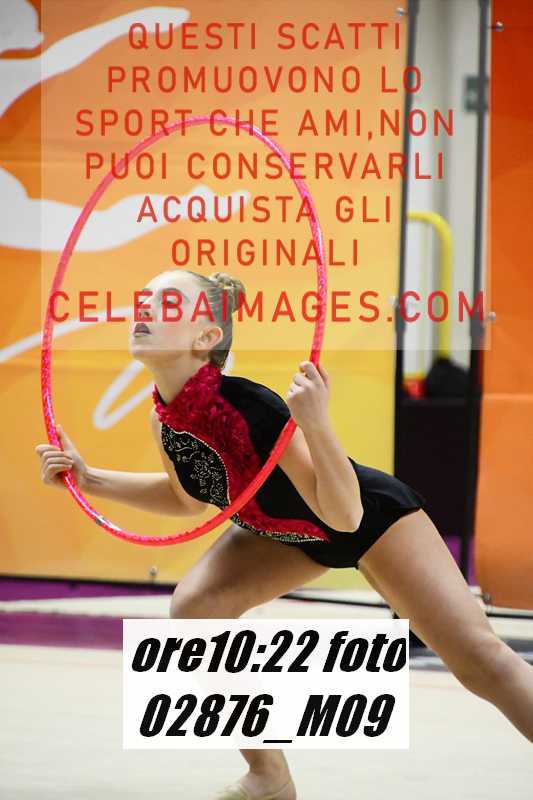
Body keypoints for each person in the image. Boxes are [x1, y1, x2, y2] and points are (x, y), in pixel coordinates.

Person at [36, 268, 533, 800]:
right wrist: (90, 479)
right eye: (144, 298)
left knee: (480, 663)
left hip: (365, 517)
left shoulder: (253, 408)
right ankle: (269, 776)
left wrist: (317, 423)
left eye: (170, 302)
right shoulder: (166, 417)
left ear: (206, 337)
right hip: (284, 533)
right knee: (195, 610)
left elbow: (344, 516)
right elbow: (188, 498)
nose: (145, 309)